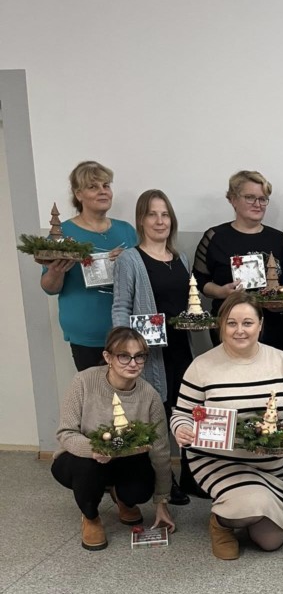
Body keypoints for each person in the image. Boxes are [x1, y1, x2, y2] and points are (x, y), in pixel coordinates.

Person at [171, 293, 283, 560]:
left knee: (270, 541)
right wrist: (181, 429)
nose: (239, 330)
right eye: (231, 323)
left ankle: (244, 507)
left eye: (247, 323)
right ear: (221, 325)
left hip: (272, 464)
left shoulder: (281, 360)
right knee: (252, 506)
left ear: (260, 325)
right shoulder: (202, 365)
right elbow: (182, 414)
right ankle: (221, 522)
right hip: (220, 461)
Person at [51, 328, 175, 551]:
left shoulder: (150, 395)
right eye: (124, 356)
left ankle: (124, 499)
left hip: (126, 460)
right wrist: (94, 449)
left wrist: (161, 502)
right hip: (84, 459)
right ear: (108, 357)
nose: (133, 363)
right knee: (87, 469)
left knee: (139, 490)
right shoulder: (83, 381)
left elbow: (160, 450)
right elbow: (66, 433)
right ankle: (90, 516)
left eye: (139, 356)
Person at [112, 189, 195, 505]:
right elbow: (121, 306)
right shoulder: (130, 259)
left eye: (165, 214)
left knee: (185, 409)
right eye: (152, 214)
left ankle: (191, 474)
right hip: (151, 353)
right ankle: (165, 481)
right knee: (157, 414)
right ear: (141, 220)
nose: (160, 221)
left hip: (181, 348)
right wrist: (125, 350)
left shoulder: (181, 258)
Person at [40, 161, 137, 371]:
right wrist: (56, 271)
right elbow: (49, 288)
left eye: (106, 185)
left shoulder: (127, 230)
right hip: (87, 336)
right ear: (79, 194)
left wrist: (129, 262)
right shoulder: (63, 233)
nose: (103, 191)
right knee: (95, 390)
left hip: (127, 331)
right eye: (93, 187)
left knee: (130, 391)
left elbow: (143, 276)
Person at [193, 169, 283, 350]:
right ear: (233, 199)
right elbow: (199, 280)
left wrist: (281, 303)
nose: (257, 204)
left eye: (262, 199)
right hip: (229, 328)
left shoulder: (279, 240)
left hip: (271, 330)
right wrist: (222, 292)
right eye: (250, 197)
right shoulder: (215, 237)